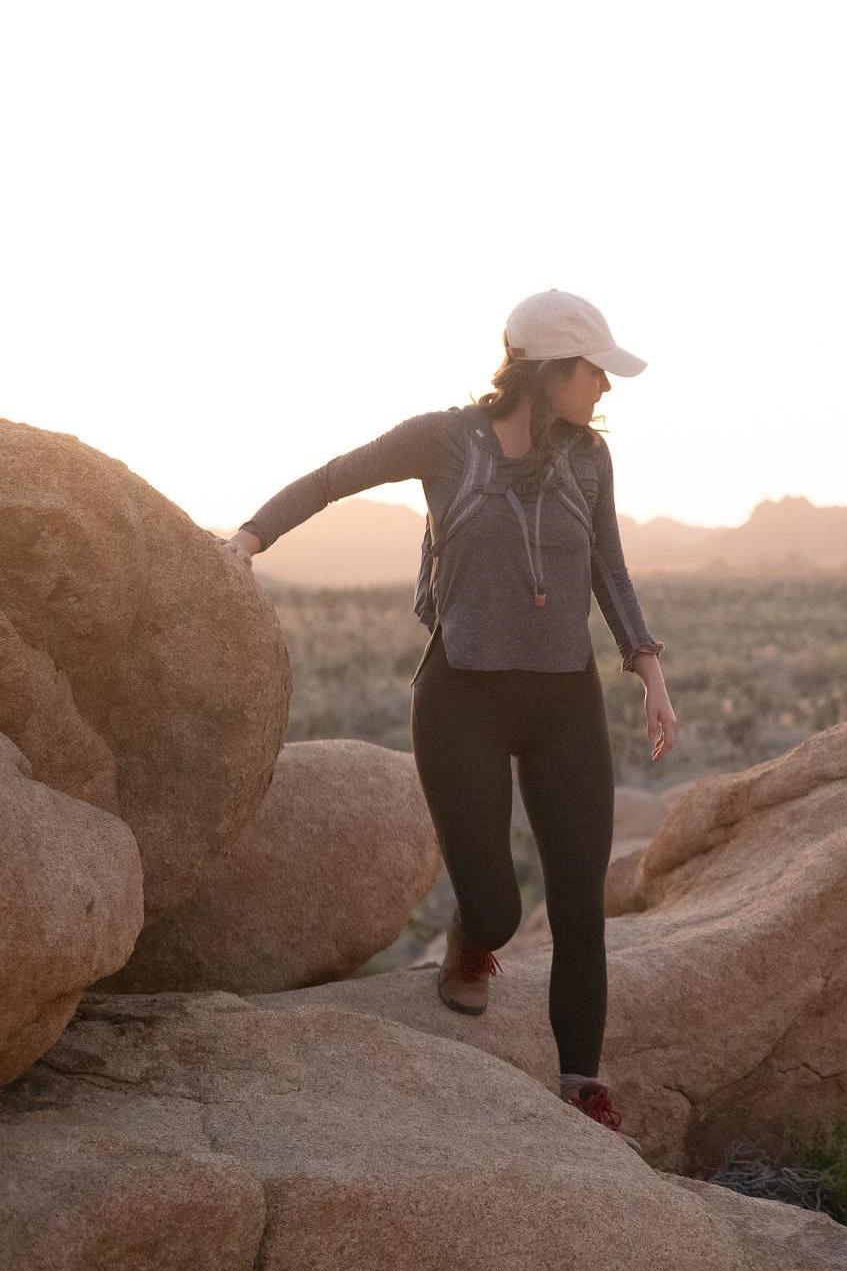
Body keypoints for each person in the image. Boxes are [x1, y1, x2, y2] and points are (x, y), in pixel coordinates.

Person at [220, 289, 678, 1153]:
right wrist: (248, 538)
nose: (605, 388)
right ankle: (473, 940)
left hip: (564, 700)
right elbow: (333, 478)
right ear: (546, 371)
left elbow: (608, 566)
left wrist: (649, 672)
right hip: (462, 695)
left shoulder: (588, 459)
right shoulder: (443, 440)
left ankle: (583, 1085)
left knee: (580, 904)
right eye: (593, 371)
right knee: (500, 909)